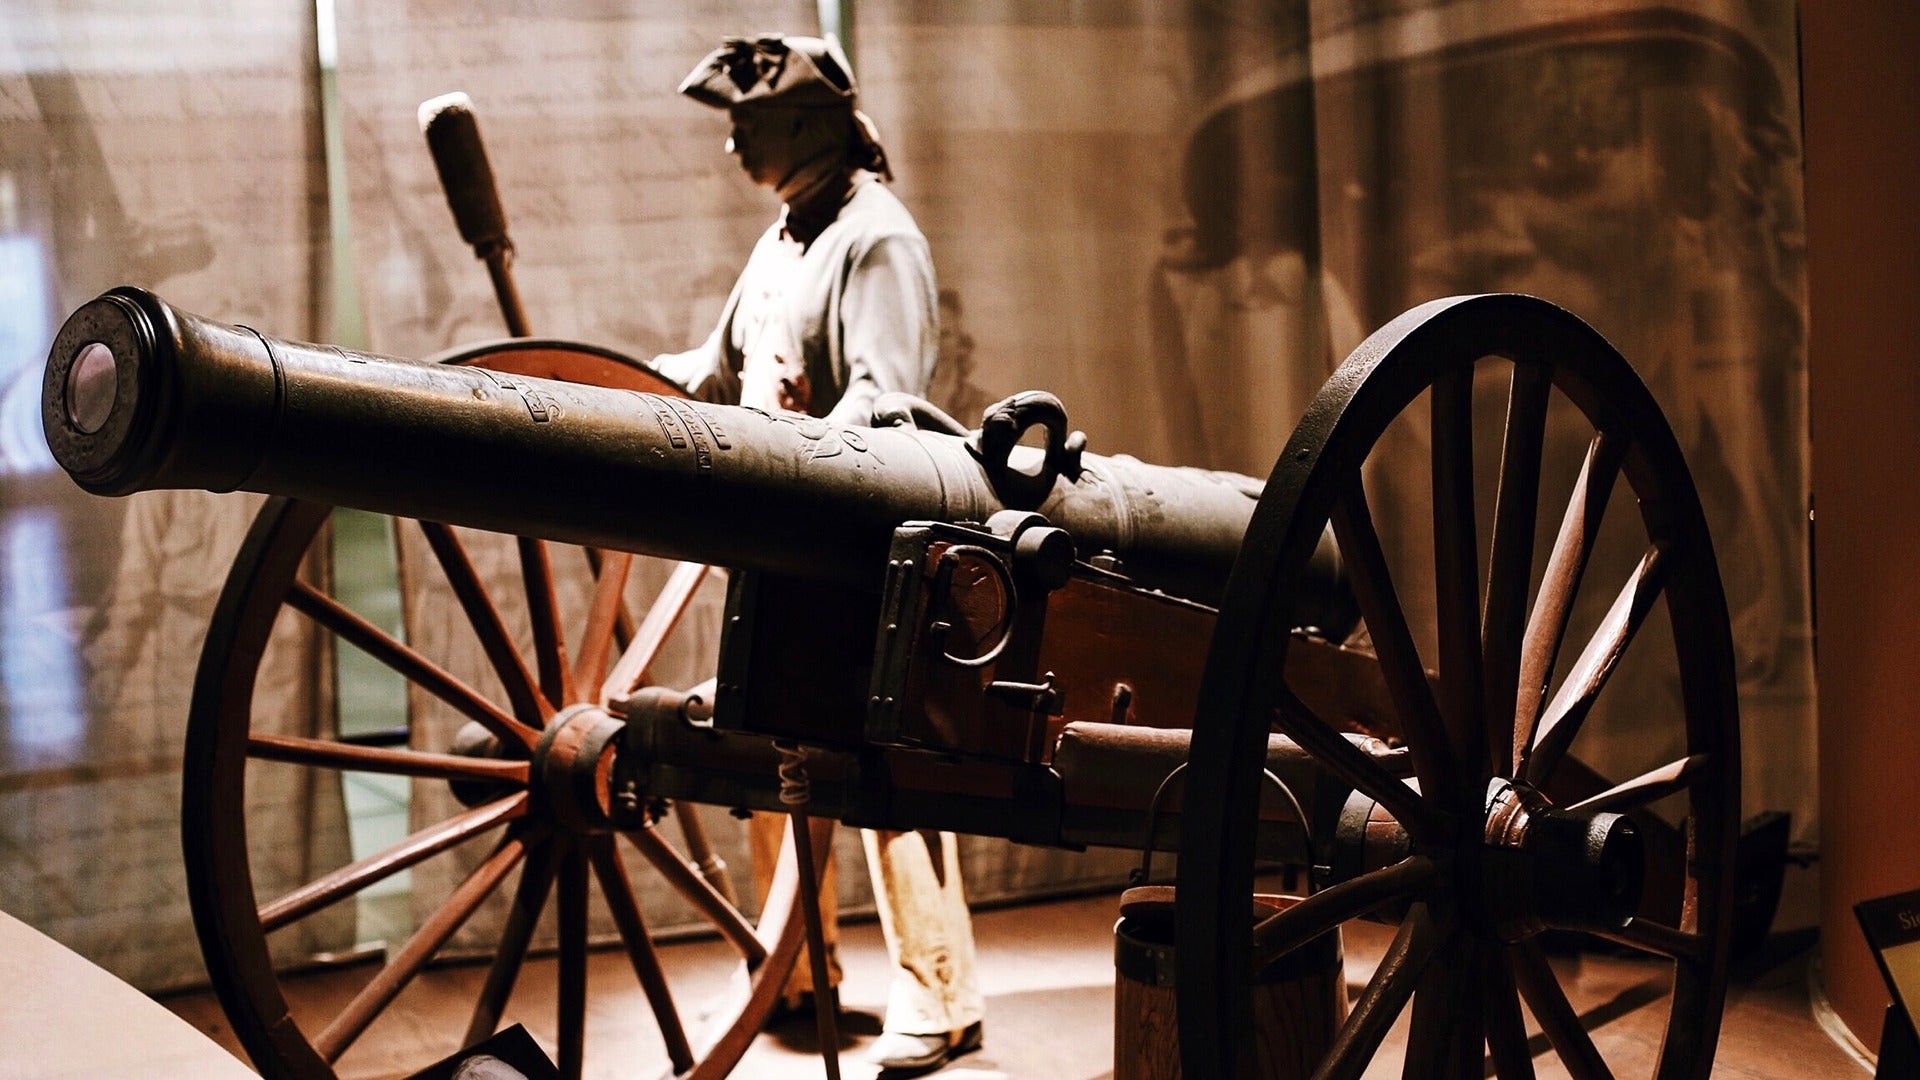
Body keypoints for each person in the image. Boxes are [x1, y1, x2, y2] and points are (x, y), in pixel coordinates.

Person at [654, 33, 985, 1076]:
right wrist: (606, 392)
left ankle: (941, 988)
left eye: (745, 123)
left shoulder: (875, 238)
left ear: (806, 126)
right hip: (780, 540)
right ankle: (795, 963)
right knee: (765, 747)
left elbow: (885, 406)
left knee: (886, 770)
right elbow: (712, 373)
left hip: (868, 553)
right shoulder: (784, 241)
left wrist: (798, 449)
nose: (732, 143)